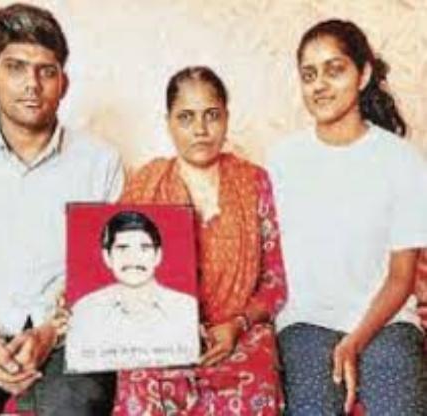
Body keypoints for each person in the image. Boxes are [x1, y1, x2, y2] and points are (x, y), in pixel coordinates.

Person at [0, 3, 122, 415]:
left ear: (64, 83)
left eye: (46, 71)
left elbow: (106, 269)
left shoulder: (100, 162)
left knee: (75, 406)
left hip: (69, 336)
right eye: (15, 67)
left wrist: (50, 332)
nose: (31, 84)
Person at [268, 19, 427, 416]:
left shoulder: (402, 160)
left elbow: (402, 277)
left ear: (364, 75)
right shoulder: (282, 160)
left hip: (388, 320)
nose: (320, 85)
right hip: (305, 322)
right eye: (309, 75)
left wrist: (356, 340)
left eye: (334, 70)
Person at [114, 66, 287, 415]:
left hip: (238, 333)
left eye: (211, 115)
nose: (200, 130)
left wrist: (237, 325)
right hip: (160, 336)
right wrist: (168, 325)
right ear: (168, 123)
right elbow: (118, 276)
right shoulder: (146, 184)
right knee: (141, 383)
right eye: (186, 117)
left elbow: (275, 280)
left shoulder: (254, 183)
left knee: (256, 384)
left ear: (226, 118)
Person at [67, 210, 199, 372]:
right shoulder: (86, 310)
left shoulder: (186, 309)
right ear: (107, 257)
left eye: (144, 248)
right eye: (123, 248)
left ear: (158, 255)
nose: (134, 258)